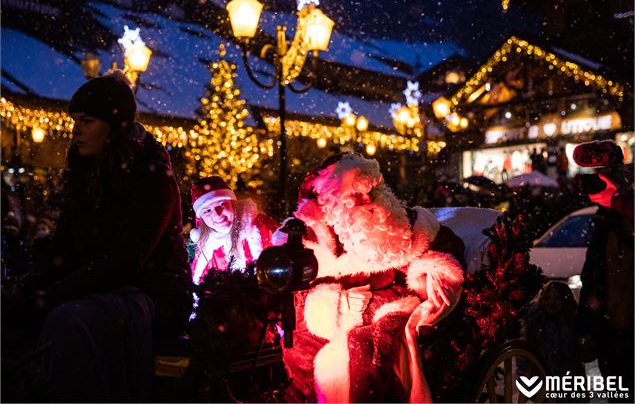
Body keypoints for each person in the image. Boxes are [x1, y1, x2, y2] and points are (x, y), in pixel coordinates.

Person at [3, 71, 192, 401]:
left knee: (69, 321)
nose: (76, 131)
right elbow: (65, 245)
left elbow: (127, 261)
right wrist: (31, 286)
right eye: (76, 120)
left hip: (153, 293)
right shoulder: (88, 170)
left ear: (114, 126)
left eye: (87, 121)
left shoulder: (152, 175)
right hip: (103, 285)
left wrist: (52, 295)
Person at [274, 153, 465, 403]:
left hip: (389, 310)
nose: (367, 201)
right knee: (302, 349)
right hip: (330, 318)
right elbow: (291, 291)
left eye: (371, 191)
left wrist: (427, 276)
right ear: (332, 201)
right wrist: (336, 302)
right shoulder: (307, 237)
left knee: (362, 350)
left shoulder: (407, 222)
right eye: (355, 195)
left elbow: (445, 250)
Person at [573, 140, 634, 403]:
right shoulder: (604, 220)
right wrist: (588, 328)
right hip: (613, 331)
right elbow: (594, 278)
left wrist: (621, 200)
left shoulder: (623, 210)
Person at [188, 176, 277, 284]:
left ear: (232, 203)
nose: (217, 215)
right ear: (201, 218)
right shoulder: (206, 251)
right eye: (207, 211)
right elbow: (200, 291)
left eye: (221, 205)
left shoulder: (260, 228)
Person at [524, 281, 585, 378]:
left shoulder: (573, 323)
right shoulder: (536, 323)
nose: (552, 302)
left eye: (557, 298)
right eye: (548, 298)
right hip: (542, 377)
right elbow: (526, 351)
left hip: (569, 378)